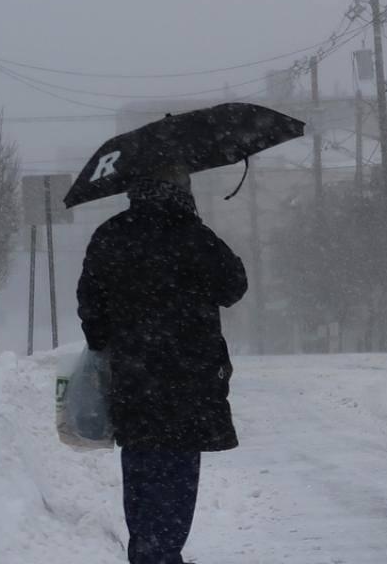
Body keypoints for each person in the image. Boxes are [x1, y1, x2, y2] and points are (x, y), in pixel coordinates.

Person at [77, 168, 247, 564]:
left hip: (132, 375)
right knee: (179, 470)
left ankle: (146, 550)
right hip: (190, 376)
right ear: (180, 190)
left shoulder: (110, 235)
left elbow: (90, 304)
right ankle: (165, 551)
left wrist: (107, 342)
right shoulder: (194, 235)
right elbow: (233, 286)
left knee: (139, 466)